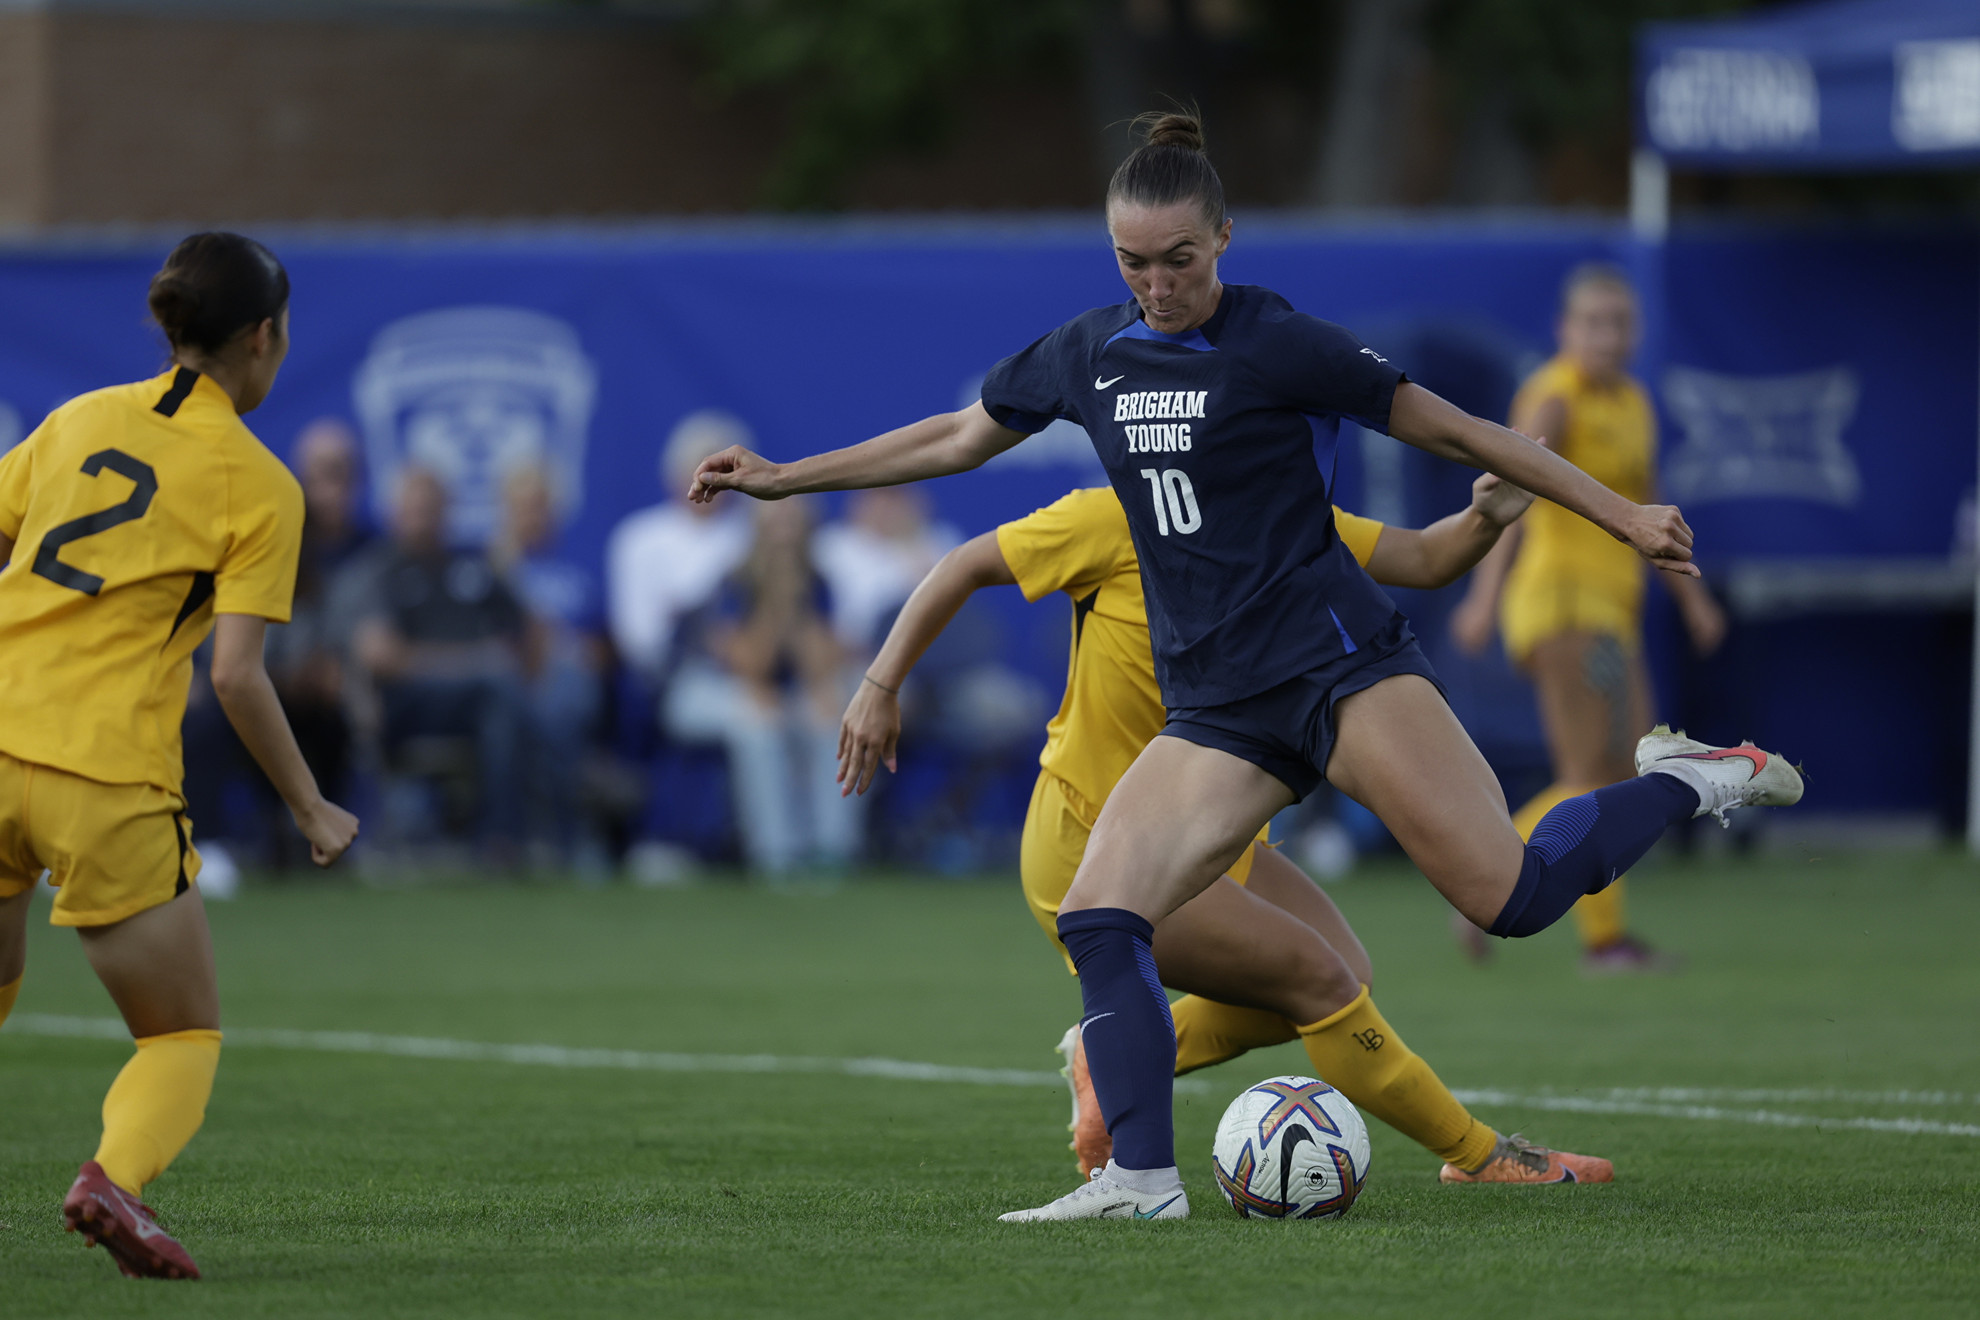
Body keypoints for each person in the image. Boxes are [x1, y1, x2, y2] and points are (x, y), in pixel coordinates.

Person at [690, 112, 1802, 1222]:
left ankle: (1692, 777)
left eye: (1180, 258)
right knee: (1100, 915)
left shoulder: (1280, 342)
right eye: (1134, 262)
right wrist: (786, 477)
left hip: (1340, 671)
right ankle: (1140, 1182)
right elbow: (951, 436)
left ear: (1224, 237)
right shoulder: (1090, 352)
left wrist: (1621, 514)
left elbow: (1463, 432)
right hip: (1219, 705)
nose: (1158, 283)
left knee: (1508, 896)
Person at [840, 474, 1621, 1188]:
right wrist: (879, 685)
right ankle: (1481, 1156)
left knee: (1345, 971)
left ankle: (1105, 1053)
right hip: (1092, 839)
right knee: (1321, 982)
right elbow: (962, 564)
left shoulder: (1282, 514)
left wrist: (1485, 517)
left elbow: (1422, 557)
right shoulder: (1110, 515)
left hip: (1214, 832)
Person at [0, 233, 359, 1277]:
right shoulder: (260, 484)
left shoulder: (77, 419)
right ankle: (113, 1183)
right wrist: (310, 807)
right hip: (104, 776)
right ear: (262, 337)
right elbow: (239, 678)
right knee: (179, 1037)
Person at [1450, 264, 1729, 973]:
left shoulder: (1633, 401)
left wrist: (1692, 597)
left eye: (1620, 323)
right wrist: (1483, 597)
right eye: (1594, 322)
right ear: (1564, 330)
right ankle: (1599, 940)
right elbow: (1512, 487)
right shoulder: (1554, 397)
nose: (1608, 336)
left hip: (1613, 612)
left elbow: (1649, 499)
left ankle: (1484, 870)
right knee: (1595, 773)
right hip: (1565, 605)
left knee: (1621, 768)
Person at [348, 467, 534, 861]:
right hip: (407, 701)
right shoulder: (380, 570)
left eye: (432, 509)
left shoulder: (472, 564)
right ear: (395, 513)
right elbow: (380, 655)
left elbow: (527, 629)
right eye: (414, 510)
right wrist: (469, 663)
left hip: (479, 698)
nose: (424, 519)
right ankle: (505, 834)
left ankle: (501, 841)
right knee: (498, 689)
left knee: (507, 708)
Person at [676, 498, 861, 873]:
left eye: (792, 525)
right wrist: (776, 599)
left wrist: (795, 596)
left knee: (834, 716)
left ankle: (832, 849)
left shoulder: (819, 582)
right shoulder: (732, 580)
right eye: (775, 525)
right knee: (759, 724)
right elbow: (750, 665)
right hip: (702, 688)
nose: (783, 537)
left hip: (779, 691)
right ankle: (775, 855)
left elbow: (819, 668)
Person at [492, 463, 608, 864]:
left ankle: (562, 836)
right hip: (510, 680)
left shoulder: (578, 575)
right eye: (522, 507)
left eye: (539, 507)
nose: (531, 516)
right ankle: (542, 835)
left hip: (567, 677)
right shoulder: (491, 572)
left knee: (562, 694)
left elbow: (601, 649)